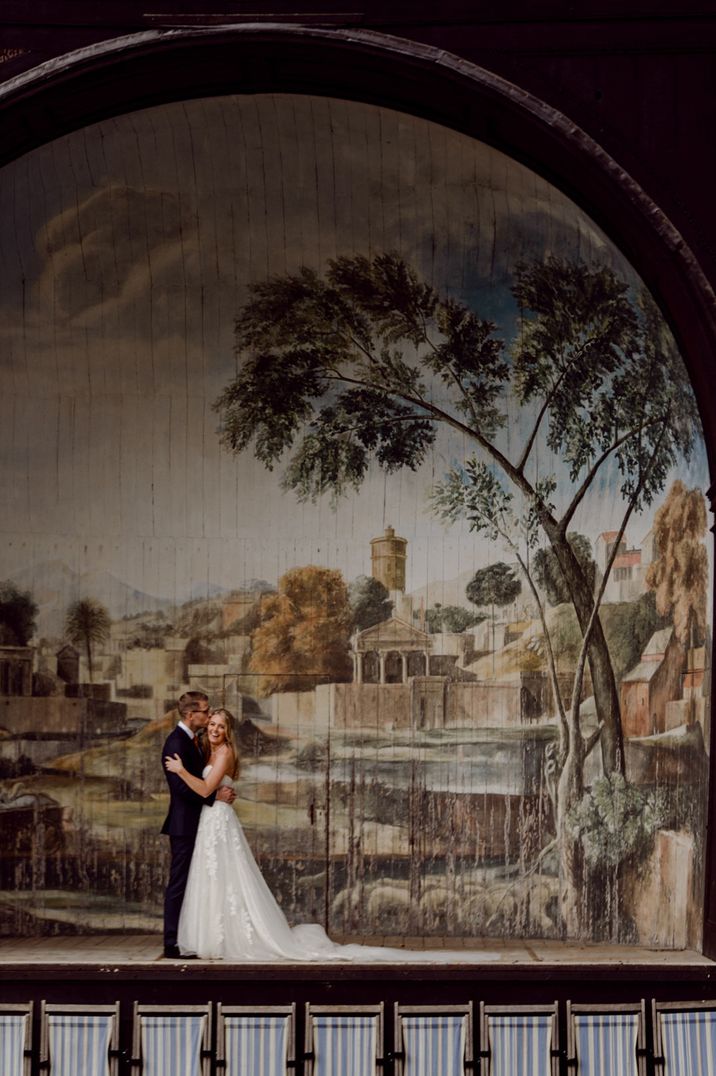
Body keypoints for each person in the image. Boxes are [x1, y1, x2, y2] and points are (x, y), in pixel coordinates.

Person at [165, 709, 499, 963]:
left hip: (219, 822)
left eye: (221, 727)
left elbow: (207, 787)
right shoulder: (203, 749)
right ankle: (213, 936)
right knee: (212, 878)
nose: (215, 730)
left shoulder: (223, 754)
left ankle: (235, 936)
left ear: (228, 733)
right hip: (210, 820)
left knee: (228, 878)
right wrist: (203, 787)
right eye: (211, 725)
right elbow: (207, 790)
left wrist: (182, 773)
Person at [160, 691, 235, 958]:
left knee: (199, 881)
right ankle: (172, 944)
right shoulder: (175, 743)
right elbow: (180, 789)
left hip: (201, 824)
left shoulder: (194, 741)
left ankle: (193, 937)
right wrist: (215, 795)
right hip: (184, 824)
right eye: (206, 711)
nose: (209, 714)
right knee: (179, 882)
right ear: (192, 715)